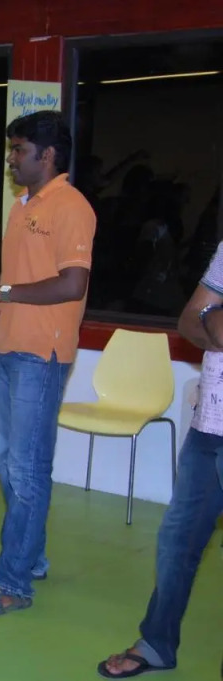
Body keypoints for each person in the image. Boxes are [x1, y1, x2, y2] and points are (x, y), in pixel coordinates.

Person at [0, 110, 96, 616]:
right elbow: (19, 279)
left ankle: (14, 585)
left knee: (28, 470)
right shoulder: (21, 207)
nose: (11, 160)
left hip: (41, 355)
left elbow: (72, 284)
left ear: (48, 154)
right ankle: (28, 558)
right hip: (7, 346)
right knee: (12, 466)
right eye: (11, 150)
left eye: (19, 150)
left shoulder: (71, 206)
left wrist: (5, 292)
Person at [95, 243, 223, 678]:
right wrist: (213, 320)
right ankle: (157, 643)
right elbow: (189, 319)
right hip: (209, 426)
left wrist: (213, 316)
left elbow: (210, 317)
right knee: (177, 543)